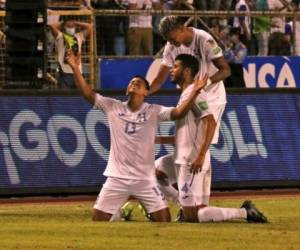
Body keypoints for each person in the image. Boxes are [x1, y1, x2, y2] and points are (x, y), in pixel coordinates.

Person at [66, 50, 207, 222]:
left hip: (145, 179)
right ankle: (120, 213)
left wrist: (195, 92)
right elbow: (88, 93)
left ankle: (123, 213)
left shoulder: (154, 111)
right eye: (132, 83)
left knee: (164, 221)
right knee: (98, 220)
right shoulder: (113, 107)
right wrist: (75, 68)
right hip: (117, 178)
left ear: (146, 92)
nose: (134, 84)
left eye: (139, 83)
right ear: (127, 89)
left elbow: (178, 113)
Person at [49, 17, 92, 88]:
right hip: (64, 74)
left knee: (79, 97)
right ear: (64, 26)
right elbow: (52, 26)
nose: (71, 27)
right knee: (64, 97)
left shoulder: (79, 36)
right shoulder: (60, 36)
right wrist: (63, 22)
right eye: (68, 26)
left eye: (72, 26)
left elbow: (90, 27)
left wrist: (76, 23)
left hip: (78, 73)